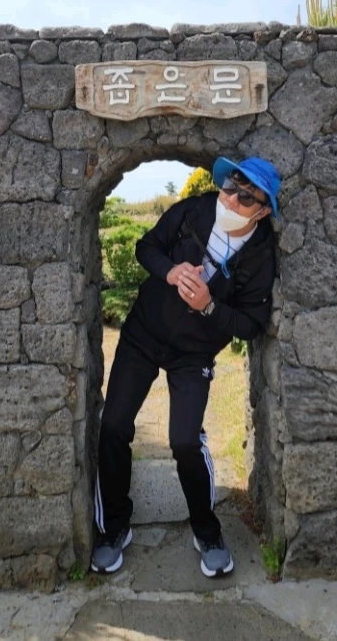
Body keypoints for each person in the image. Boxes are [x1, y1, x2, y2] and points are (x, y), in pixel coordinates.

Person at [90, 156, 281, 578]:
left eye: (246, 197)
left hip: (194, 354)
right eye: (231, 186)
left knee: (184, 441)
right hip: (143, 334)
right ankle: (114, 527)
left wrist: (209, 306)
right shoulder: (194, 210)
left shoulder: (260, 255)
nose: (231, 199)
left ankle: (207, 531)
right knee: (114, 426)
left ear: (263, 211)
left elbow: (252, 323)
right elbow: (146, 247)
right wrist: (171, 272)